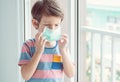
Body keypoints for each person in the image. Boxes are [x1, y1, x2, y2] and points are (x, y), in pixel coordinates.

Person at [18, 0, 75, 82]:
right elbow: (25, 76)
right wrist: (38, 52)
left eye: (56, 25)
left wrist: (63, 51)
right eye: (48, 25)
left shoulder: (62, 46)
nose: (52, 29)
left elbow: (70, 74)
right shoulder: (28, 46)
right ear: (35, 23)